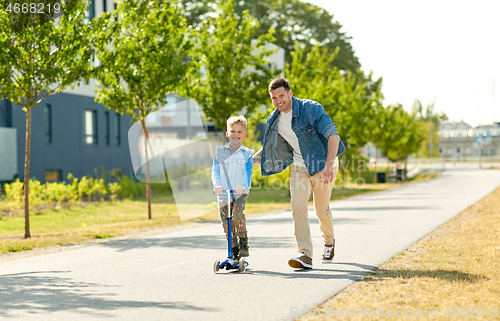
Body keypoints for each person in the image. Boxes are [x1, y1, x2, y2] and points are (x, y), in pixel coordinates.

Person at [253, 78, 346, 269]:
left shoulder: (311, 109)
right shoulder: (274, 119)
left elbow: (333, 135)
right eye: (273, 98)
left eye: (281, 96)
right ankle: (305, 253)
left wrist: (329, 166)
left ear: (290, 93)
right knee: (297, 205)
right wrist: (250, 159)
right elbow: (269, 147)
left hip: (322, 163)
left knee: (321, 209)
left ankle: (329, 241)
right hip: (299, 166)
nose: (278, 101)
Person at [212, 115, 254, 258]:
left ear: (244, 135)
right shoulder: (220, 152)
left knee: (236, 214)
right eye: (233, 131)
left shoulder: (247, 154)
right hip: (223, 192)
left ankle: (243, 241)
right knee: (225, 221)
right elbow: (215, 170)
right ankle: (233, 246)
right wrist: (217, 184)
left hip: (239, 193)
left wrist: (243, 185)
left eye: (239, 132)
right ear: (227, 133)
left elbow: (247, 172)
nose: (236, 135)